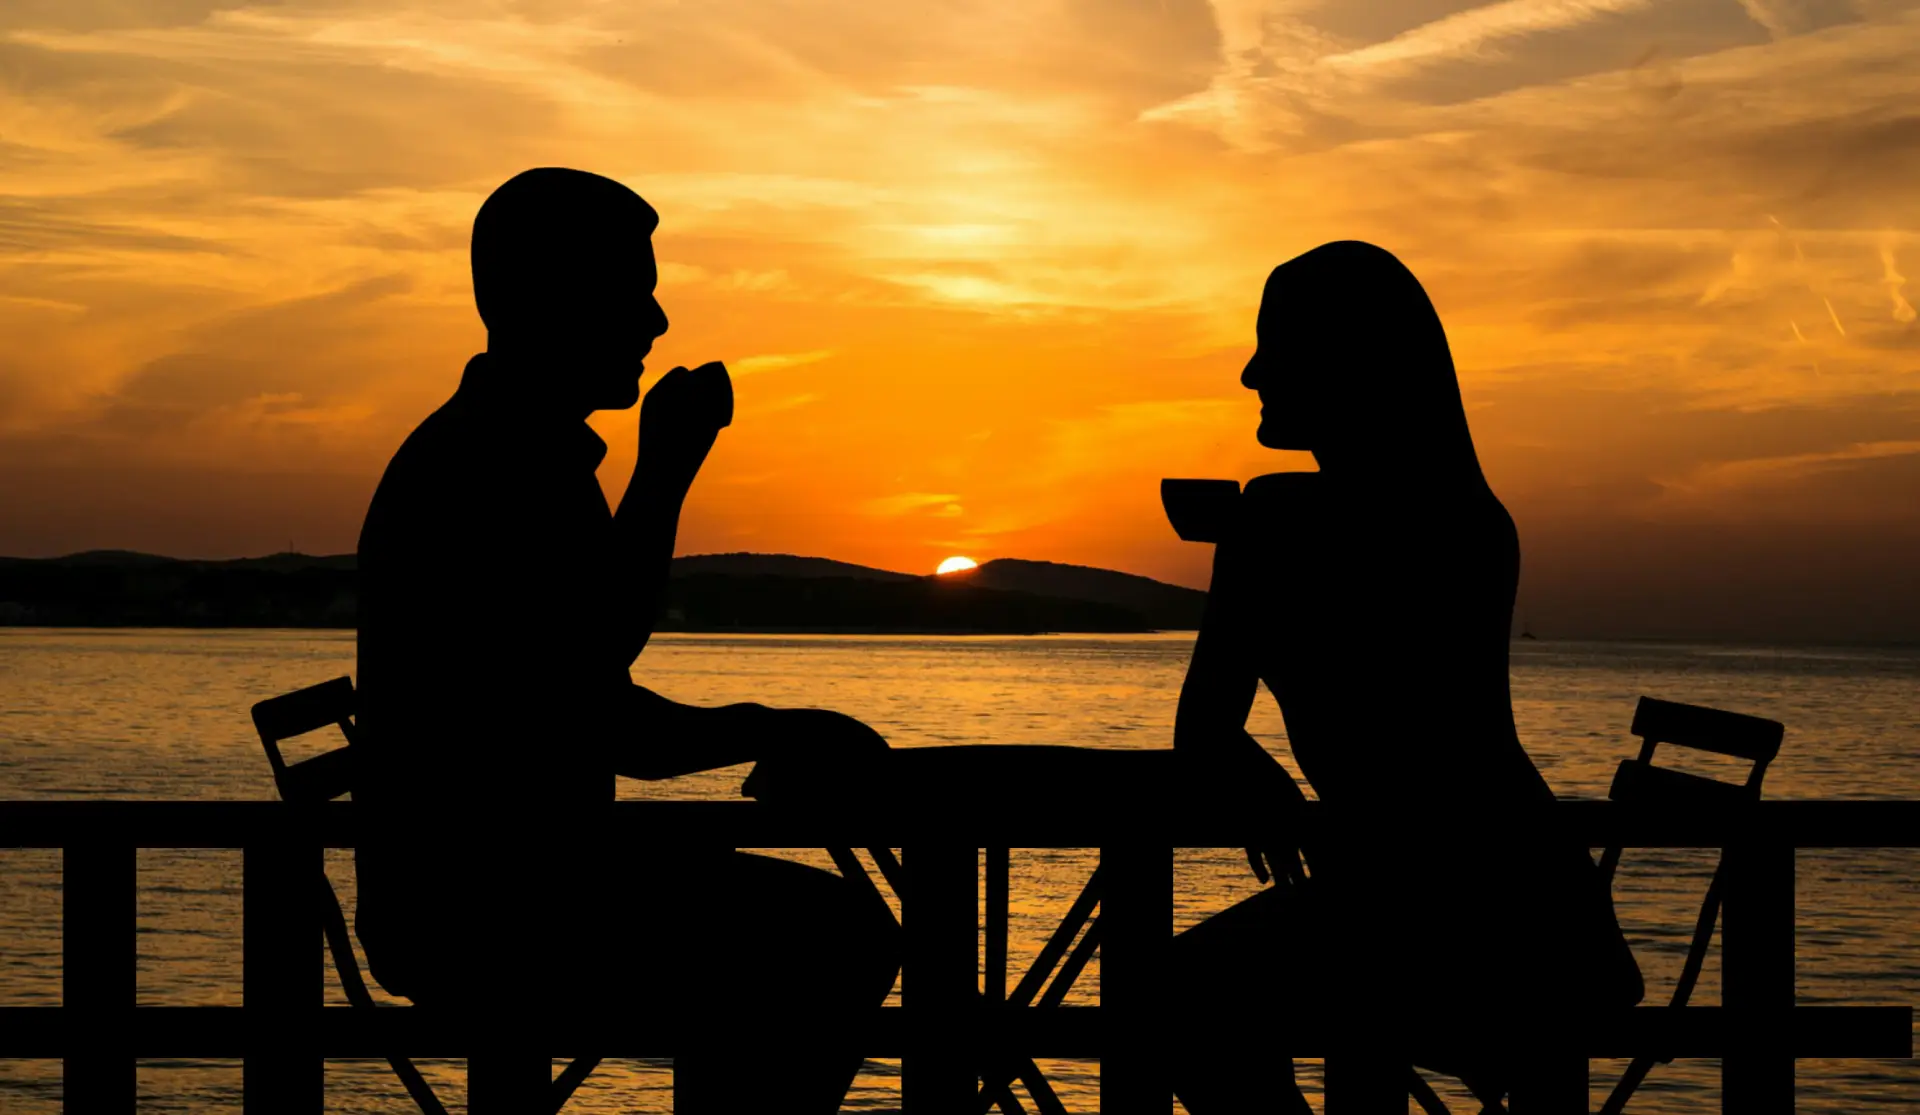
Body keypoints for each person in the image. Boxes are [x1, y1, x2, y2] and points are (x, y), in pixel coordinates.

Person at [353, 167, 897, 1112]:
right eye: (632, 291)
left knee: (820, 932)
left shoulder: (507, 449)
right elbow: (608, 716)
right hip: (495, 909)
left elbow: (592, 661)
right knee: (836, 937)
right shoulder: (498, 465)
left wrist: (662, 473)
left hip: (492, 886)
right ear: (549, 298)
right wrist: (776, 724)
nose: (656, 321)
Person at [1166, 240, 1643, 1109]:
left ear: (1348, 362)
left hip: (1443, 921)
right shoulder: (1476, 522)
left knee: (1177, 999)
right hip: (1538, 908)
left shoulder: (1276, 521)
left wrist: (1245, 548)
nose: (1249, 372)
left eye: (1275, 344)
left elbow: (1203, 729)